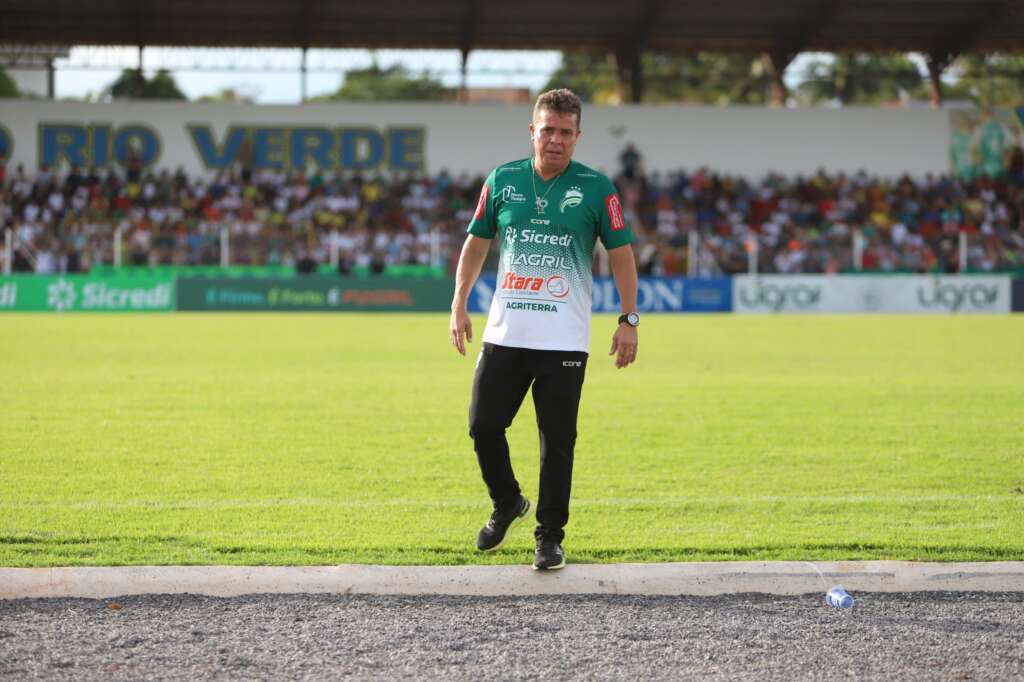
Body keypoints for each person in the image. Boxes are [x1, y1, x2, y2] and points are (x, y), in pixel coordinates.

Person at [448, 88, 640, 570]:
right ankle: (507, 501)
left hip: (564, 340)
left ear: (577, 137)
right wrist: (459, 300)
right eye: (548, 129)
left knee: (558, 441)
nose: (555, 140)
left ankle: (549, 537)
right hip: (506, 332)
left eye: (565, 132)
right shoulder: (503, 180)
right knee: (482, 424)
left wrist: (628, 318)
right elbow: (476, 244)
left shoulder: (597, 189)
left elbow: (621, 256)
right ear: (532, 130)